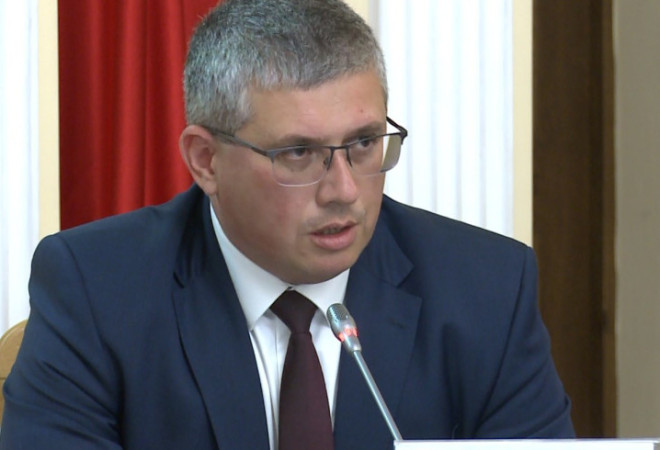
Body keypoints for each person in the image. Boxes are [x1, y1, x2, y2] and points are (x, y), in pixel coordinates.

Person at [0, 0, 574, 448]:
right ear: (206, 160)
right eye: (299, 153)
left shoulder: (487, 291)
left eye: (364, 143)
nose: (343, 190)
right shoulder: (97, 291)